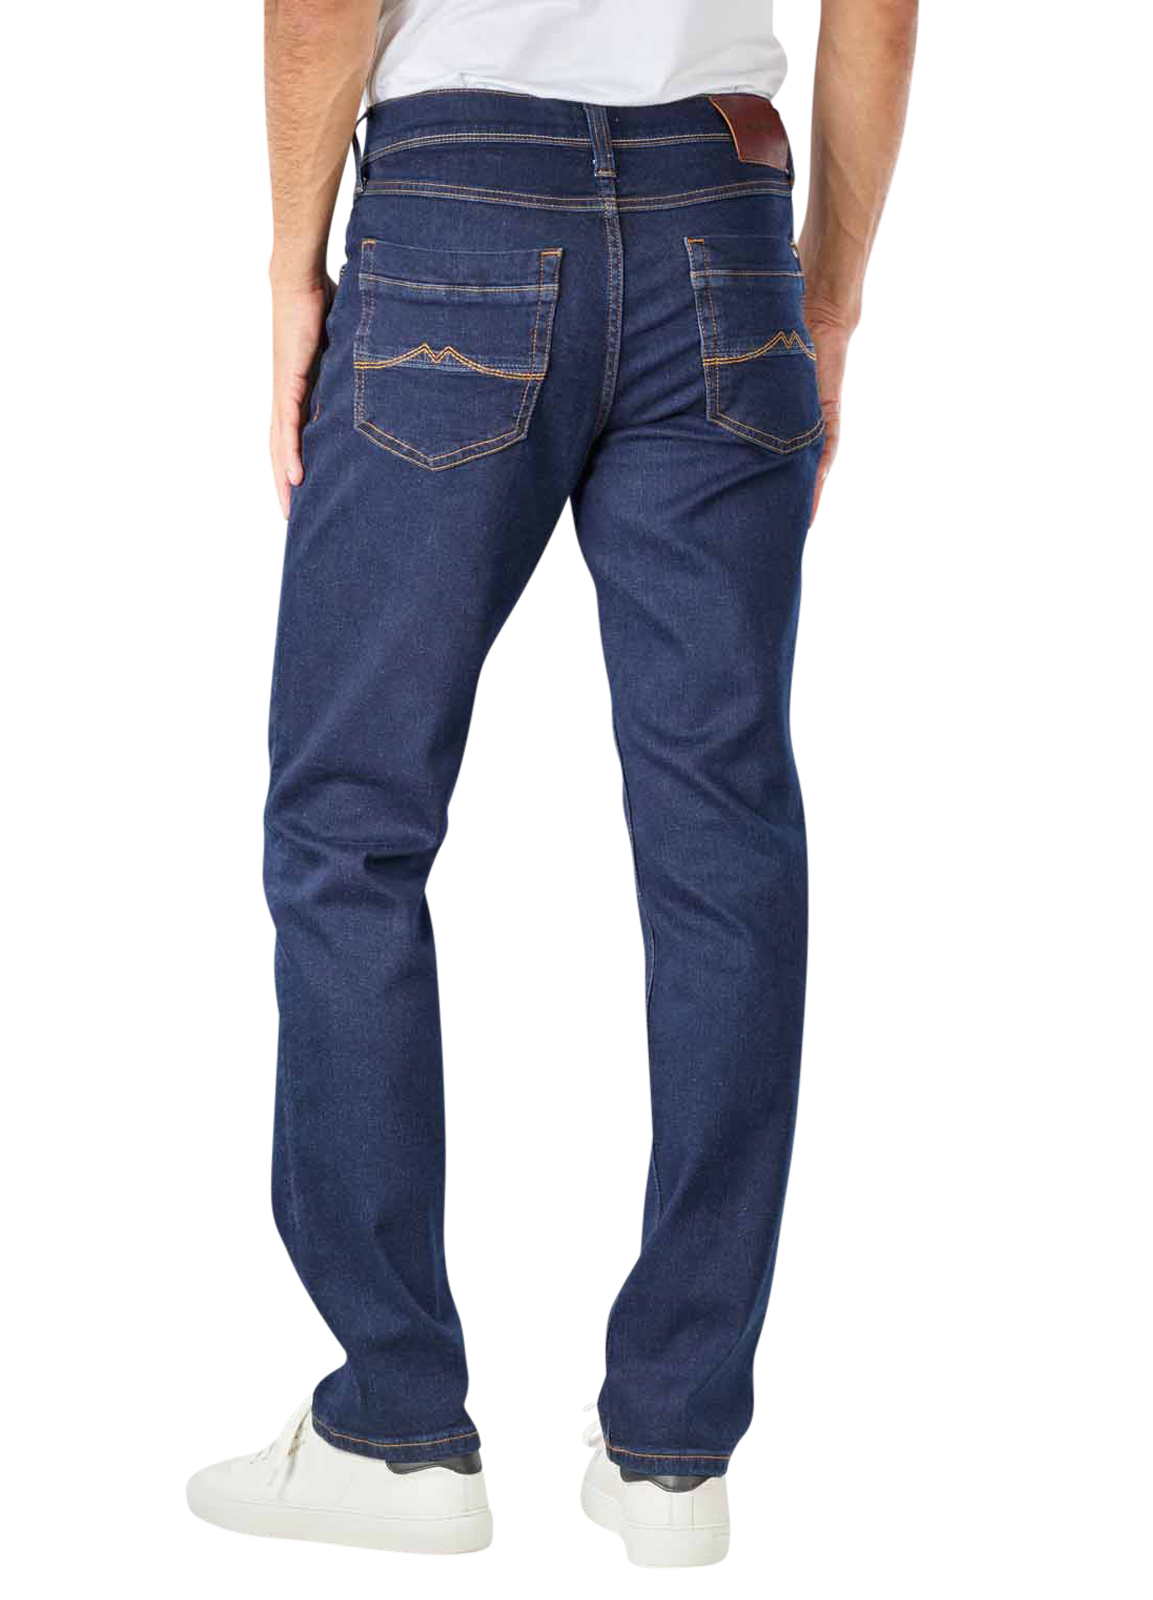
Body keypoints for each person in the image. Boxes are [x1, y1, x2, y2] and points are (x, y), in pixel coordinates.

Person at [187, 0, 918, 1552]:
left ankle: (395, 1435)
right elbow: (873, 15)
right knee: (723, 844)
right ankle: (675, 1455)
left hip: (452, 208)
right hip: (727, 215)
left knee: (350, 823)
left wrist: (287, 275)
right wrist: (830, 300)